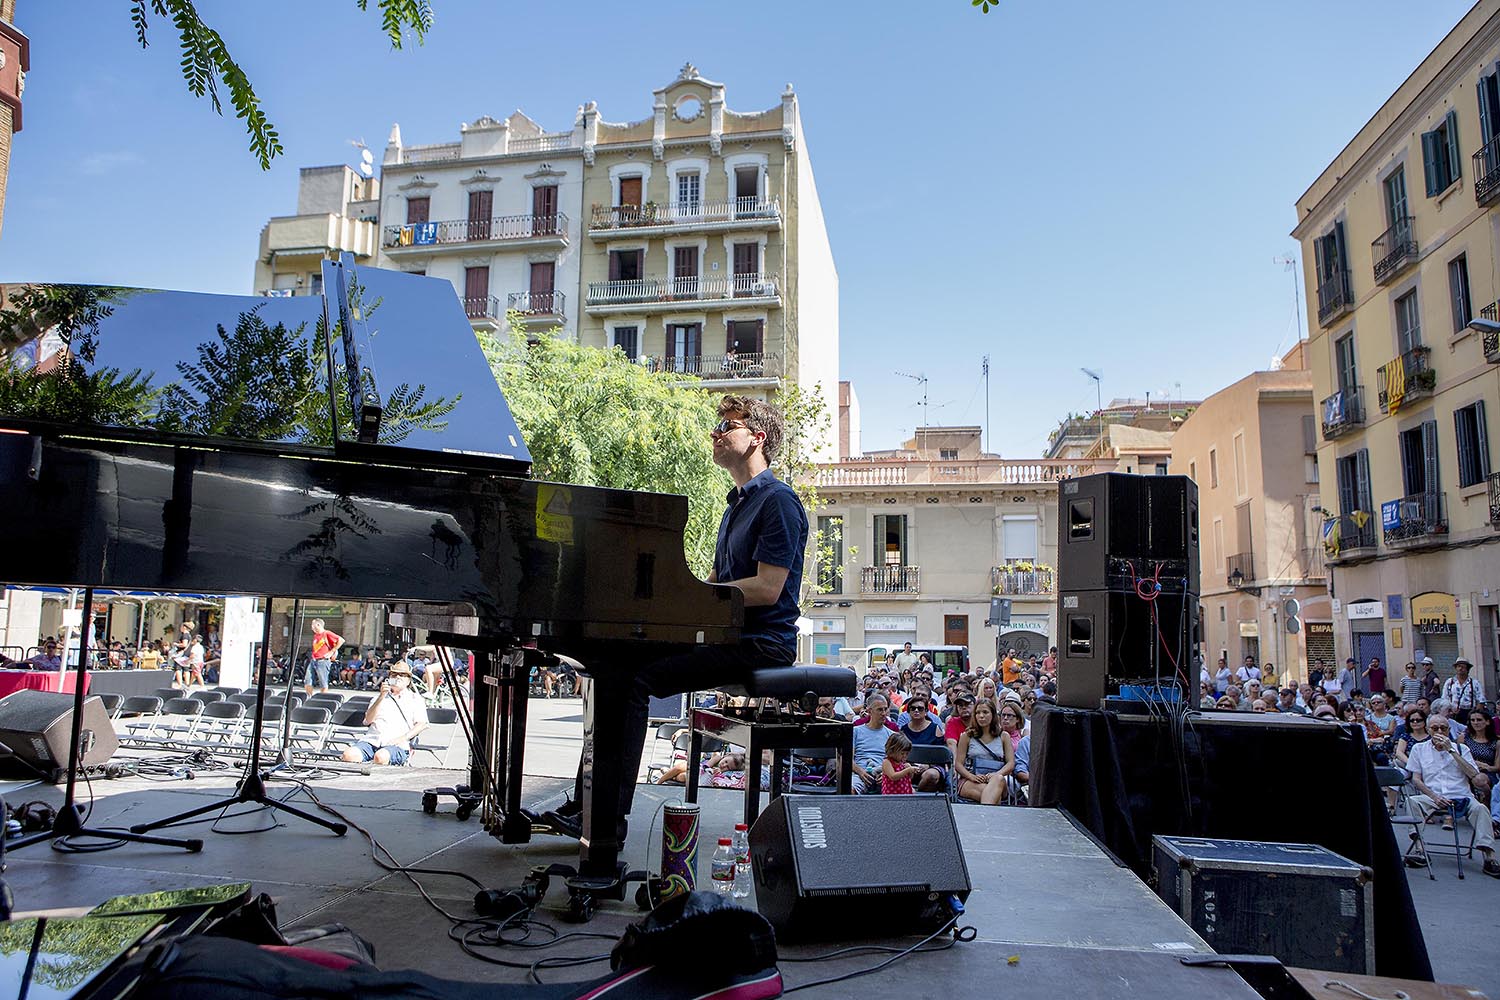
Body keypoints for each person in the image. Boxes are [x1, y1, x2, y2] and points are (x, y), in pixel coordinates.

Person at [545, 397, 808, 839]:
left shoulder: (777, 501)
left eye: (728, 425)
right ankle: (587, 805)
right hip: (729, 635)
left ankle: (608, 821)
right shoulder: (736, 506)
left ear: (757, 438)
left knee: (636, 680)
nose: (715, 432)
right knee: (611, 665)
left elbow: (767, 588)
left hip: (762, 642)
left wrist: (694, 596)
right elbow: (714, 582)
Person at [1404, 723, 1500, 877]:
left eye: (1443, 728)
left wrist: (1451, 751)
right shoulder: (1419, 749)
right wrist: (1434, 797)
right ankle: (1419, 850)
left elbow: (1474, 775)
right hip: (1433, 796)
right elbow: (1416, 779)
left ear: (1449, 730)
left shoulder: (1462, 749)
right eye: (1435, 728)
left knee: (1481, 809)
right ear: (1428, 730)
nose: (1439, 731)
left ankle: (1489, 857)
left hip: (1462, 795)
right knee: (1412, 802)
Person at [340, 661, 428, 766]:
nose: (398, 677)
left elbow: (422, 724)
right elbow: (368, 720)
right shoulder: (377, 698)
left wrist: (403, 738)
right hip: (372, 741)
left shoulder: (415, 699)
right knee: (348, 755)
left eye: (402, 675)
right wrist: (381, 697)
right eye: (394, 675)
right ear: (389, 678)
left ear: (408, 681)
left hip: (397, 744)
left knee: (380, 756)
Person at [954, 697, 1012, 805]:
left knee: (998, 780)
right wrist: (971, 777)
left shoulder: (1004, 736)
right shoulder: (967, 736)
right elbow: (958, 764)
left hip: (996, 778)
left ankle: (984, 814)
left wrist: (996, 774)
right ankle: (989, 813)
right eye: (977, 713)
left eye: (985, 712)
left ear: (993, 714)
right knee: (994, 796)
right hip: (970, 779)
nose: (981, 716)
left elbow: (1011, 763)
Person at [851, 693, 898, 794]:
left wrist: (886, 774)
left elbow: (896, 762)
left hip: (883, 774)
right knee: (850, 790)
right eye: (880, 710)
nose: (884, 713)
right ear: (869, 711)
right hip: (860, 773)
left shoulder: (892, 735)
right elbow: (848, 759)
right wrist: (860, 771)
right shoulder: (856, 731)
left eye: (885, 709)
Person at [1461, 706, 1496, 803]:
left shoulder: (1495, 742)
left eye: (1479, 720)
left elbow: (1497, 767)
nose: (1475, 723)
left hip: (1487, 772)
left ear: (1487, 722)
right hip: (1466, 770)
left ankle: (1486, 803)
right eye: (1473, 720)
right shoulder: (1464, 738)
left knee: (1481, 780)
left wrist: (1487, 767)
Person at [305, 618, 343, 696]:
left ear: (318, 625)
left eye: (313, 625)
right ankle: (308, 697)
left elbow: (341, 640)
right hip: (314, 660)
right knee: (308, 680)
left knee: (323, 682)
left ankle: (323, 697)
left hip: (323, 660)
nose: (312, 627)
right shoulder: (316, 636)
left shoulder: (327, 633)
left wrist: (332, 651)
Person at [881, 731, 917, 795]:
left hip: (904, 793)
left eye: (907, 754)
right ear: (892, 751)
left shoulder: (902, 763)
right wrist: (907, 770)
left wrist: (910, 771)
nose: (904, 756)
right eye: (902, 753)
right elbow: (893, 776)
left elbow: (909, 778)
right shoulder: (887, 762)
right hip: (891, 795)